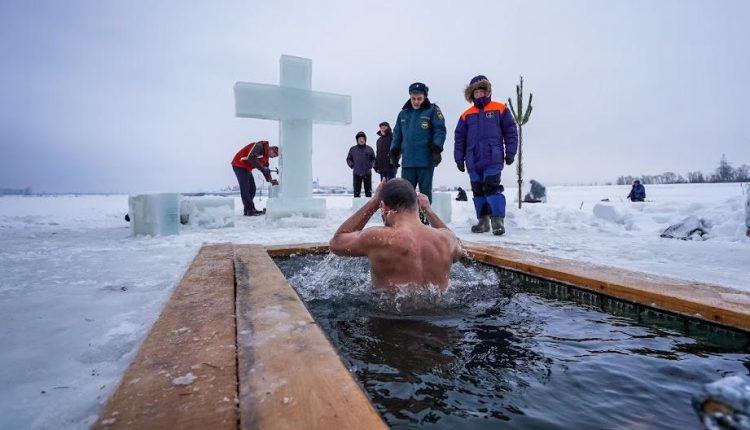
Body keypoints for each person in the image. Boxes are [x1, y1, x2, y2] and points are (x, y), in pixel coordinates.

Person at [329, 178, 465, 291]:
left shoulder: (378, 238)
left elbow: (337, 242)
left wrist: (373, 203)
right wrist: (428, 210)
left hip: (390, 321)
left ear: (383, 207)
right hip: (441, 321)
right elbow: (459, 247)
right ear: (418, 204)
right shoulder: (446, 239)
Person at [454, 75, 518, 235]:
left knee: (491, 188)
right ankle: (483, 222)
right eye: (476, 93)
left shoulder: (500, 109)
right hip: (473, 160)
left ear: (488, 91)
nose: (479, 95)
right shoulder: (466, 115)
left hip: (493, 157)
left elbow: (511, 131)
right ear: (471, 95)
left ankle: (497, 221)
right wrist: (458, 158)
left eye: (482, 91)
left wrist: (510, 152)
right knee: (477, 191)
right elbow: (459, 138)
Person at [390, 82, 447, 203]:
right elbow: (397, 134)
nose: (416, 101)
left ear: (425, 96)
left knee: (424, 194)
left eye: (419, 99)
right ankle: (408, 221)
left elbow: (440, 130)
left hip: (425, 161)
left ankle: (424, 220)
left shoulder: (432, 110)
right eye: (413, 98)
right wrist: (394, 152)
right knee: (406, 195)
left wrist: (437, 148)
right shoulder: (403, 114)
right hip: (408, 162)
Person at [231, 140, 279, 216]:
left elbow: (266, 168)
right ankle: (250, 210)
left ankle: (248, 210)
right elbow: (251, 157)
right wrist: (262, 168)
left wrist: (270, 180)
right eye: (274, 154)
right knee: (245, 189)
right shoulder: (259, 146)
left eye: (275, 156)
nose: (273, 157)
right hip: (239, 164)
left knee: (252, 189)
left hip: (246, 168)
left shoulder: (266, 157)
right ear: (271, 149)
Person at [346, 131, 376, 197]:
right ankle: (357, 206)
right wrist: (352, 165)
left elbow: (374, 159)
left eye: (363, 138)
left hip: (367, 173)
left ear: (365, 139)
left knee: (368, 193)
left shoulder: (369, 149)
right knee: (356, 193)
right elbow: (348, 159)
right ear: (357, 140)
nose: (361, 140)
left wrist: (371, 165)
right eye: (360, 139)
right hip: (356, 173)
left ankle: (369, 207)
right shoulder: (353, 149)